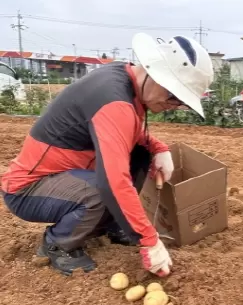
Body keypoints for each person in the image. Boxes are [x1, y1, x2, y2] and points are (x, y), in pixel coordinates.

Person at [1, 32, 214, 276]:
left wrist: (158, 147)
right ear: (157, 76)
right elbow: (113, 183)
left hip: (65, 176)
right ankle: (57, 244)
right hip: (27, 190)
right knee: (101, 192)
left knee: (140, 153)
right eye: (175, 97)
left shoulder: (124, 80)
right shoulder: (114, 100)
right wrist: (149, 239)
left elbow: (125, 133)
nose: (174, 105)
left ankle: (113, 226)